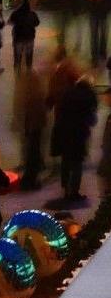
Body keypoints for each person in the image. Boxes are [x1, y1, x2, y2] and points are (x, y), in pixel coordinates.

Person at [51, 74, 98, 203]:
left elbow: (59, 110)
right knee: (77, 163)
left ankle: (65, 189)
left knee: (66, 161)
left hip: (63, 132)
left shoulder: (68, 92)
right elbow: (92, 119)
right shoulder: (90, 95)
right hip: (78, 134)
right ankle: (74, 192)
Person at [13, 65, 46, 190]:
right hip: (35, 126)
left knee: (32, 153)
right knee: (33, 152)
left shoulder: (32, 92)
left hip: (32, 126)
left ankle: (30, 179)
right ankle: (31, 179)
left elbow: (30, 110)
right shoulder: (37, 91)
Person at [10, 0, 40, 73]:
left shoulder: (15, 13)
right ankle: (28, 71)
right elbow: (37, 23)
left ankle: (17, 72)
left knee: (17, 56)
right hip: (29, 37)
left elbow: (10, 22)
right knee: (29, 55)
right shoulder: (32, 14)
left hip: (18, 38)